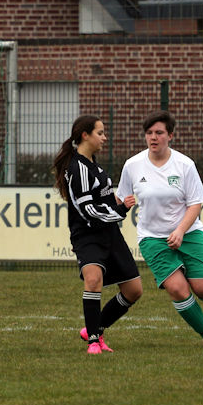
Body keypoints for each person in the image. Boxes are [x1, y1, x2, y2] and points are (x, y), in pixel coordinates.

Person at [117, 110, 203, 349]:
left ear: (170, 135)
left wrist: (180, 230)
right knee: (177, 289)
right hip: (152, 238)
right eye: (149, 133)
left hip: (189, 233)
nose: (153, 137)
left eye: (159, 133)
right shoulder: (132, 165)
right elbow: (120, 200)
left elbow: (195, 203)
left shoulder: (184, 164)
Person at [53, 114, 142, 354]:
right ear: (85, 135)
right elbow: (87, 210)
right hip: (88, 235)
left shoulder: (95, 165)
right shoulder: (78, 168)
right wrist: (121, 210)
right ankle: (94, 340)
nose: (104, 137)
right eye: (100, 133)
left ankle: (95, 328)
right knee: (94, 282)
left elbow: (102, 197)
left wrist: (115, 201)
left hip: (109, 234)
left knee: (134, 291)